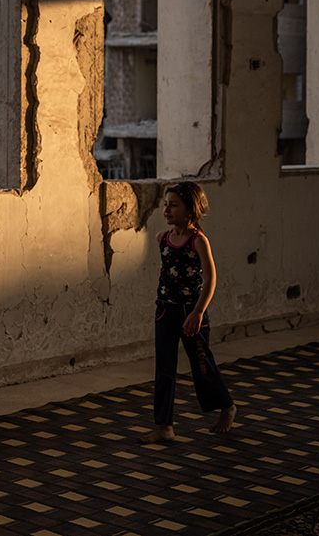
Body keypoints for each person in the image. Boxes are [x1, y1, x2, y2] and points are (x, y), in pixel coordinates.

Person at [138, 181, 236, 444]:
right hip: (165, 312)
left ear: (190, 210)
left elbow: (211, 279)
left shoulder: (198, 241)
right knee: (164, 370)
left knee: (202, 366)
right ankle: (164, 427)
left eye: (174, 205)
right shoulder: (162, 239)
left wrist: (198, 313)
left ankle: (227, 407)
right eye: (166, 204)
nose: (166, 210)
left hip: (191, 313)